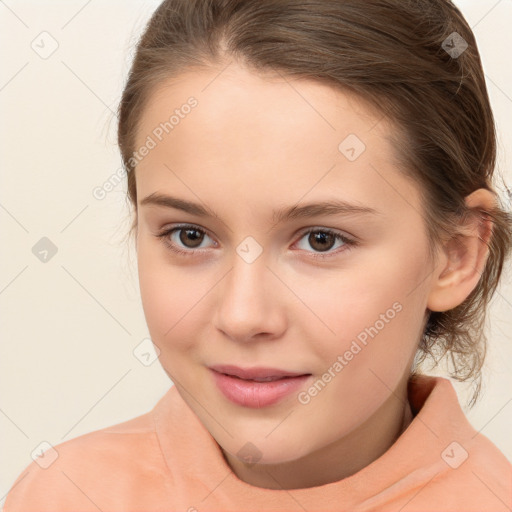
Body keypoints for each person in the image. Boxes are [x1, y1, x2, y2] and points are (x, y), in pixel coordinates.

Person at [5, 0, 512, 510]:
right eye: (190, 235)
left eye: (321, 240)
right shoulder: (61, 494)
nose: (243, 316)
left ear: (456, 254)